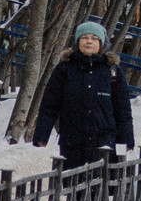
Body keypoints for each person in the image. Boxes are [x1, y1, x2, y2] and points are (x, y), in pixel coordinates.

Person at [34, 21, 134, 171]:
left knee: (100, 186)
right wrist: (42, 135)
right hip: (72, 140)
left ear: (101, 43)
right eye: (84, 37)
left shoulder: (112, 71)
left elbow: (123, 108)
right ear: (77, 41)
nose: (89, 41)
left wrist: (126, 138)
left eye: (94, 38)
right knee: (73, 187)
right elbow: (49, 105)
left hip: (104, 142)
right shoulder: (64, 69)